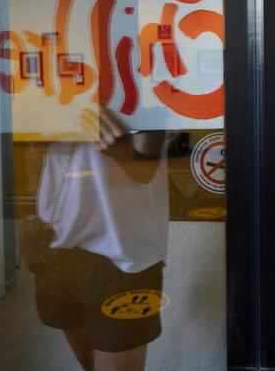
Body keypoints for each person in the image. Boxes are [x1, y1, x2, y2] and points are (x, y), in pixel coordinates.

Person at [22, 108, 170, 371]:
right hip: (59, 242)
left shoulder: (139, 75)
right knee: (88, 364)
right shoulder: (52, 79)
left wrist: (116, 143)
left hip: (121, 252)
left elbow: (144, 169)